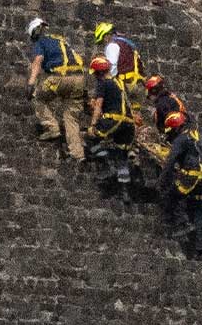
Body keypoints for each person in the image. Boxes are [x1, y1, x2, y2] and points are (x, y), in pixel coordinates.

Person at [25, 18, 87, 161]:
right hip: (79, 79)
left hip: (60, 77)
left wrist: (31, 83)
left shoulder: (40, 43)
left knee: (38, 97)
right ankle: (78, 154)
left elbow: (37, 62)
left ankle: (52, 128)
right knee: (71, 117)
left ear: (34, 33)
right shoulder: (61, 41)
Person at [159, 112, 202, 260]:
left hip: (192, 178)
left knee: (172, 195)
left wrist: (163, 180)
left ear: (176, 128)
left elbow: (170, 161)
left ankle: (181, 224)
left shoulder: (181, 139)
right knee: (199, 214)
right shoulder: (200, 138)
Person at [86, 56, 137, 201]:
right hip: (129, 124)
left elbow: (98, 106)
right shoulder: (119, 83)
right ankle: (124, 190)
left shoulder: (103, 83)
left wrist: (93, 125)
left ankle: (107, 166)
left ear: (98, 73)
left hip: (114, 120)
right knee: (122, 155)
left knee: (91, 139)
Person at [94, 22, 145, 110]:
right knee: (136, 115)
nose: (104, 43)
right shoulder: (126, 44)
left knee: (123, 114)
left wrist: (107, 84)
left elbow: (112, 66)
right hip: (138, 84)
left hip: (125, 85)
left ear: (106, 36)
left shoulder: (112, 45)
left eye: (103, 40)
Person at [140, 75, 188, 161]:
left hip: (177, 137)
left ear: (153, 91)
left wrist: (165, 136)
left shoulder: (163, 103)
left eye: (149, 94)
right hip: (183, 133)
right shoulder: (169, 98)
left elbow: (172, 124)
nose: (149, 98)